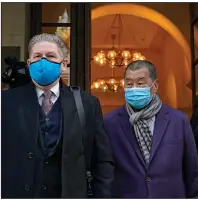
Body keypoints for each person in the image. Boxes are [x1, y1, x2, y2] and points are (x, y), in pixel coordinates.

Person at [1, 33, 114, 198]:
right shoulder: (6, 102)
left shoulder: (87, 104)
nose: (43, 61)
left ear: (64, 64)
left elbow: (102, 160)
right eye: (37, 56)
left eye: (51, 56)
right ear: (29, 63)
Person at [103, 60, 198, 198]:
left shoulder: (177, 121)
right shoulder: (110, 123)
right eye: (129, 84)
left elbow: (193, 173)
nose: (134, 88)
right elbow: (104, 173)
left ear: (155, 86)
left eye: (140, 83)